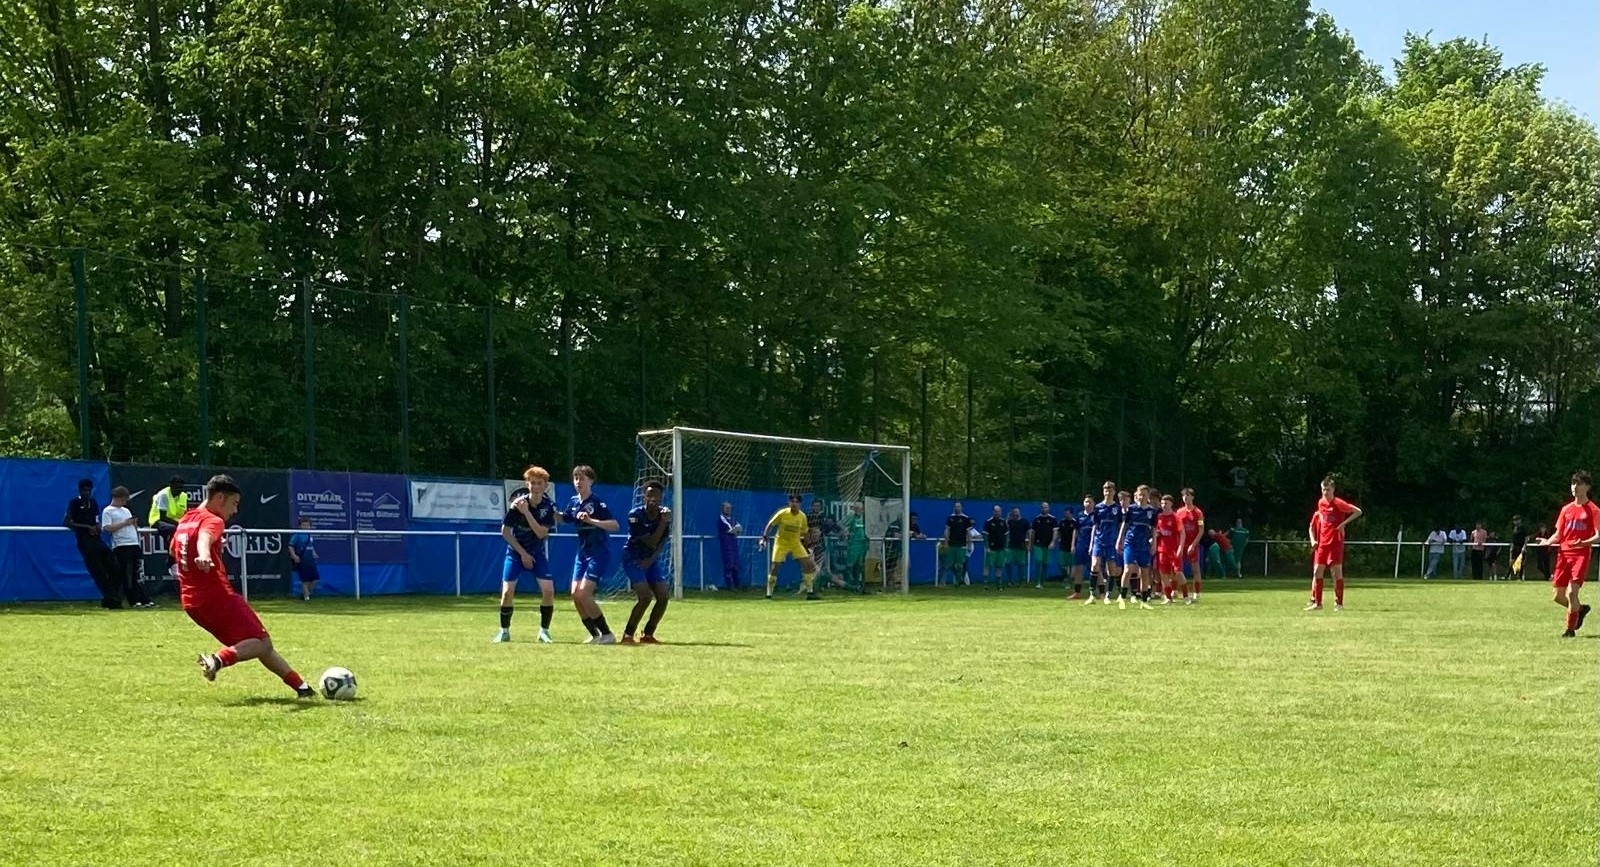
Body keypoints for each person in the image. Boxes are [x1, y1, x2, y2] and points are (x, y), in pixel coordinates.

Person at [182, 475, 315, 697]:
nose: (235, 511)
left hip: (192, 604)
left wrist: (213, 547)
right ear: (220, 498)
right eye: (234, 503)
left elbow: (180, 548)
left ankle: (302, 688)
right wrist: (205, 553)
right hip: (218, 597)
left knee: (254, 644)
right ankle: (217, 660)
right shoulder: (213, 520)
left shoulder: (187, 519)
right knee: (262, 642)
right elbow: (204, 538)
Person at [492, 466, 557, 643]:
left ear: (545, 486)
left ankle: (544, 631)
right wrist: (522, 554)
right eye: (532, 483)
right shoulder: (517, 504)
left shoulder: (548, 507)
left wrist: (527, 512)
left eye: (539, 483)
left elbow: (541, 533)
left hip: (537, 553)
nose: (535, 487)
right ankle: (504, 631)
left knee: (549, 591)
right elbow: (505, 532)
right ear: (527, 484)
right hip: (515, 553)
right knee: (507, 592)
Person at [1533, 470, 1599, 638]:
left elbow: (1598, 536)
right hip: (1563, 554)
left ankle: (1570, 630)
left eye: (1579, 484)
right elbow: (1559, 534)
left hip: (1580, 555)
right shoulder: (1566, 509)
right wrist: (1548, 542)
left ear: (1587, 487)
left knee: (1571, 593)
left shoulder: (1593, 510)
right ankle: (1580, 609)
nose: (1575, 487)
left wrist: (1583, 543)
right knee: (1557, 596)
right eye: (1573, 483)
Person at [563, 465, 620, 643]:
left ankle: (607, 634)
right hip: (582, 554)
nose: (578, 482)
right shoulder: (573, 502)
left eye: (582, 478)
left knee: (584, 593)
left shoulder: (597, 502)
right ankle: (595, 635)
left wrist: (591, 521)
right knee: (575, 593)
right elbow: (564, 518)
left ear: (591, 481)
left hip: (598, 553)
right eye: (575, 478)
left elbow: (615, 526)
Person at [621, 480, 671, 644]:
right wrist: (663, 522)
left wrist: (651, 560)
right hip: (633, 558)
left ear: (661, 498)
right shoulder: (635, 515)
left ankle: (648, 634)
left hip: (650, 560)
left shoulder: (664, 515)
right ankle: (628, 635)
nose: (652, 499)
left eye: (656, 495)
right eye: (649, 495)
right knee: (645, 597)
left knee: (663, 596)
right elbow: (650, 541)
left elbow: (661, 542)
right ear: (644, 497)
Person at [1306, 475, 1362, 611]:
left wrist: (1343, 524)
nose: (1325, 492)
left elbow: (1358, 512)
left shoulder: (1338, 503)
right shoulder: (1321, 503)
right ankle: (1317, 603)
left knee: (1336, 573)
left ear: (1333, 490)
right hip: (1322, 543)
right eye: (1323, 490)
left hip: (1335, 542)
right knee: (1317, 571)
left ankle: (1339, 604)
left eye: (1328, 490)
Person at [64, 478, 121, 609]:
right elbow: (67, 522)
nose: (87, 493)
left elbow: (96, 519)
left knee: (114, 566)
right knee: (98, 571)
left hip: (97, 539)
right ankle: (111, 599)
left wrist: (97, 526)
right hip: (85, 540)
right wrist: (86, 527)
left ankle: (112, 597)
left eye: (89, 490)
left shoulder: (93, 502)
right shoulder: (74, 503)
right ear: (80, 490)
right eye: (84, 490)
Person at [101, 486, 153, 609]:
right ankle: (132, 599)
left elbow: (131, 525)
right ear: (117, 498)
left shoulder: (126, 510)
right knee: (126, 573)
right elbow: (107, 527)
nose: (125, 502)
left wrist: (134, 525)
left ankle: (143, 598)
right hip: (121, 545)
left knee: (137, 573)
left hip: (134, 543)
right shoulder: (108, 511)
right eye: (123, 499)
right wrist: (124, 523)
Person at [761, 494, 819, 600]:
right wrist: (764, 537)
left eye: (797, 502)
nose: (794, 504)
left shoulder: (802, 516)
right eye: (792, 502)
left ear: (800, 504)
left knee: (807, 565)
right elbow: (770, 525)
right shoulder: (782, 513)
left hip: (795, 543)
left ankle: (810, 593)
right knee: (775, 567)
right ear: (789, 503)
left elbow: (805, 532)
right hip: (781, 543)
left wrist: (810, 546)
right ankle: (769, 594)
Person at [1117, 486, 1157, 609]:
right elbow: (1124, 524)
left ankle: (1144, 601)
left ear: (1148, 496)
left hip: (1144, 544)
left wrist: (1154, 543)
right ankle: (1122, 598)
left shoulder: (1152, 511)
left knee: (1144, 572)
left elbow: (1153, 528)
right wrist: (1119, 540)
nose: (1142, 497)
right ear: (1137, 495)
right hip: (1130, 543)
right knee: (1128, 569)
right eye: (1140, 495)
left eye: (1144, 495)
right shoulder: (1131, 509)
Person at [148, 475, 189, 579]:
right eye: (177, 487)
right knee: (173, 530)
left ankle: (184, 561)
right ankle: (171, 562)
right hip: (158, 520)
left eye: (181, 488)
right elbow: (163, 517)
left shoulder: (184, 496)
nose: (179, 490)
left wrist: (184, 523)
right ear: (171, 486)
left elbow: (183, 514)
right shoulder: (163, 495)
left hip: (176, 523)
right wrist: (179, 524)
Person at [1087, 482, 1121, 605]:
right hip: (1099, 541)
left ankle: (1108, 595)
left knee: (1111, 569)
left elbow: (1121, 525)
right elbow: (1095, 526)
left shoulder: (1117, 508)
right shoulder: (1098, 507)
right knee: (1095, 565)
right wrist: (1091, 543)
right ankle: (1092, 594)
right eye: (1106, 490)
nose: (1108, 493)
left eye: (1110, 490)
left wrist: (1119, 541)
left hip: (1111, 542)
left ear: (1114, 492)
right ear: (1103, 492)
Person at [1175, 488, 1206, 601]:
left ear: (1192, 497)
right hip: (1181, 544)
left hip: (1193, 544)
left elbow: (1201, 530)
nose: (1186, 497)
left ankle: (1196, 593)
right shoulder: (1179, 512)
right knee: (1177, 569)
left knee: (1195, 569)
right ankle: (1175, 591)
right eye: (1184, 495)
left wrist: (1193, 544)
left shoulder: (1198, 512)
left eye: (1188, 495)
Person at [1154, 494, 1182, 606]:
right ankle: (1168, 597)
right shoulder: (1159, 517)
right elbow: (1157, 531)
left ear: (1171, 504)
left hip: (1173, 549)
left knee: (1176, 572)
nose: (1163, 505)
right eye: (1162, 503)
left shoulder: (1175, 517)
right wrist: (1155, 536)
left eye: (1166, 503)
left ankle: (1183, 595)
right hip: (1162, 549)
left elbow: (1181, 532)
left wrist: (1180, 547)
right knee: (1163, 573)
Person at [288, 516, 321, 602]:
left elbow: (310, 546)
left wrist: (314, 553)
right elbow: (290, 546)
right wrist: (294, 556)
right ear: (300, 526)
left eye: (307, 525)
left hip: (311, 561)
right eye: (304, 525)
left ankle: (306, 594)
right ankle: (306, 598)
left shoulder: (310, 535)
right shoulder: (297, 535)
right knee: (305, 581)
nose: (306, 527)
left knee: (315, 579)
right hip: (302, 561)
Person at [942, 502, 974, 586]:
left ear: (961, 508)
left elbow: (968, 533)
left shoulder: (966, 518)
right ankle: (944, 581)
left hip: (961, 544)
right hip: (951, 544)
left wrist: (969, 544)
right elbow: (947, 531)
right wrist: (946, 543)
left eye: (958, 506)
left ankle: (959, 579)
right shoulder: (950, 518)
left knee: (960, 564)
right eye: (956, 506)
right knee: (948, 563)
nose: (957, 508)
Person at [1027, 502, 1059, 589]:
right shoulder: (1036, 519)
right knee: (1038, 562)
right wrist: (1030, 544)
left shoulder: (1053, 519)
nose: (1044, 509)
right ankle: (1037, 582)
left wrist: (1053, 542)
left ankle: (1042, 582)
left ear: (1048, 508)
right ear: (1041, 508)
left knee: (1045, 563)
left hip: (1047, 545)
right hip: (1038, 544)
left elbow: (1055, 532)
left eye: (1046, 507)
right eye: (1043, 507)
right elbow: (1032, 533)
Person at [1068, 496, 1095, 599]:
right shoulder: (1079, 516)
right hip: (1081, 544)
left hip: (1093, 545)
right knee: (1078, 569)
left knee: (1095, 568)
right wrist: (1073, 545)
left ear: (1093, 504)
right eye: (1086, 502)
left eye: (1090, 502)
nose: (1088, 504)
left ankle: (1101, 593)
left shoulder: (1096, 515)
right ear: (1083, 503)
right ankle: (1077, 592)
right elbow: (1075, 531)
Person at [841, 503, 868, 591]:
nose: (860, 510)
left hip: (862, 544)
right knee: (850, 564)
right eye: (857, 508)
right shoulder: (851, 517)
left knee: (860, 564)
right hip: (853, 544)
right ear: (854, 509)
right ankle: (848, 584)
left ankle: (858, 584)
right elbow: (841, 524)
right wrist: (845, 531)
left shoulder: (864, 518)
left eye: (861, 508)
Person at [717, 502, 743, 591]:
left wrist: (737, 530)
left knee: (736, 565)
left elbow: (738, 528)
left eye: (730, 508)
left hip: (734, 544)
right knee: (729, 565)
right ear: (722, 509)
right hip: (726, 545)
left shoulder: (733, 519)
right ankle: (730, 586)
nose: (728, 510)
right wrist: (734, 530)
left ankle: (737, 585)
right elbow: (729, 529)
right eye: (726, 508)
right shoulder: (721, 519)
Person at [982, 506, 1008, 589]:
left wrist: (1006, 547)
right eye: (996, 511)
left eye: (999, 511)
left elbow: (1007, 535)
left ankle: (998, 584)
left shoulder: (1003, 522)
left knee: (999, 566)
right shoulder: (988, 522)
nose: (997, 513)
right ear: (993, 512)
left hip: (1001, 548)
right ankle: (985, 584)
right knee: (988, 566)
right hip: (991, 549)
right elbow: (985, 535)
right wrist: (987, 547)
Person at [1508, 515, 1528, 581]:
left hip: (1521, 546)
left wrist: (1524, 547)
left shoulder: (1523, 528)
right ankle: (1507, 575)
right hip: (1515, 546)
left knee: (1521, 562)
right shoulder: (1514, 528)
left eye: (1517, 520)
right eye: (1514, 520)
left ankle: (1520, 577)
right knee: (1512, 561)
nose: (1515, 522)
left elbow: (1526, 538)